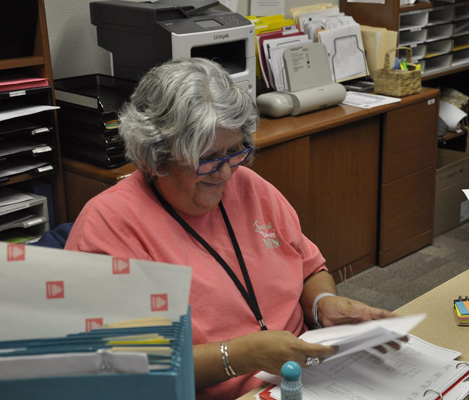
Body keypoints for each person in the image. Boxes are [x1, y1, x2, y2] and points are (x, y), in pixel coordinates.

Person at [65, 58, 398, 399]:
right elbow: (122, 370)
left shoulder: (250, 187)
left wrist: (322, 303)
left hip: (305, 376)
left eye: (235, 151)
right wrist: (238, 356)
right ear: (156, 156)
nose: (226, 175)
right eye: (208, 158)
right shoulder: (109, 227)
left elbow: (309, 266)